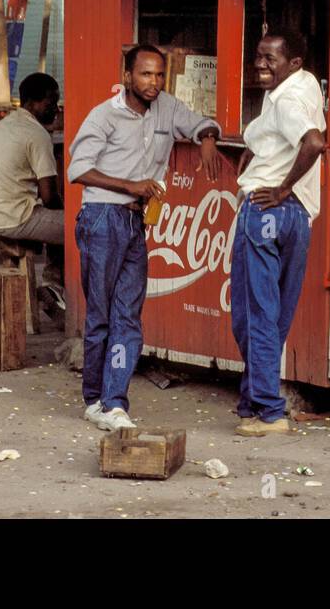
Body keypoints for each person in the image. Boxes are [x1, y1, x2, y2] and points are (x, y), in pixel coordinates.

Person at [67, 44, 223, 431]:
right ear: (127, 77)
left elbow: (200, 121)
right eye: (145, 75)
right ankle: (94, 400)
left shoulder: (167, 107)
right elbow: (78, 169)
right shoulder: (104, 115)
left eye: (158, 75)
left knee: (128, 316)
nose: (153, 83)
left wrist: (206, 138)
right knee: (101, 315)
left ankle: (114, 402)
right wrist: (129, 185)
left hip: (136, 222)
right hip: (102, 218)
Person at [230, 29, 326, 437]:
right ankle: (254, 403)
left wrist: (281, 186)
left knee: (254, 314)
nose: (261, 64)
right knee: (274, 314)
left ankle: (269, 412)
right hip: (296, 217)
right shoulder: (303, 87)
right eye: (258, 55)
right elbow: (287, 136)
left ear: (294, 63)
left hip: (267, 208)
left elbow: (314, 142)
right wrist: (256, 152)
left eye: (270, 58)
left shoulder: (286, 99)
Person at [0, 72, 63, 247]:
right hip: (14, 219)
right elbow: (49, 198)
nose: (56, 109)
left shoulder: (1, 126)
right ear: (31, 103)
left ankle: (55, 272)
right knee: (79, 227)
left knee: (58, 221)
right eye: (50, 104)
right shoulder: (37, 134)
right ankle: (55, 274)